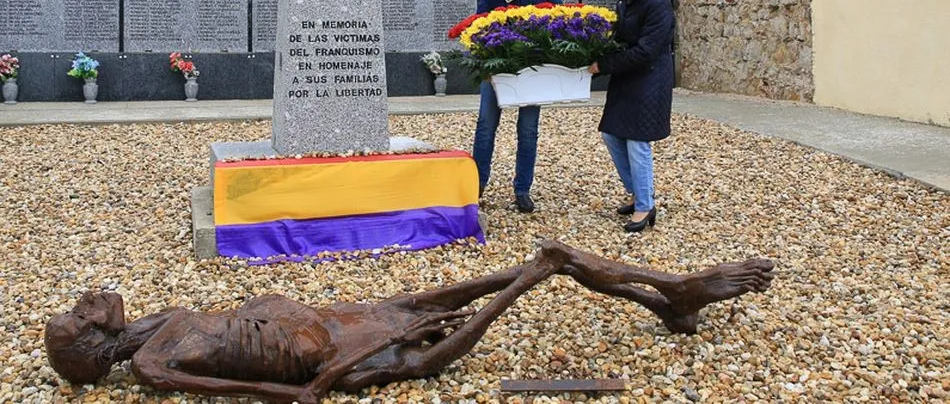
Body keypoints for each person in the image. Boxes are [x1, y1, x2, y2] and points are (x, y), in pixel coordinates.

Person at [45, 240, 774, 403]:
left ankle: (670, 293)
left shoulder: (159, 321)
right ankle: (672, 293)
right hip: (327, 352)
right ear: (92, 344)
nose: (88, 299)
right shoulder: (147, 366)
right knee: (535, 268)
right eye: (80, 315)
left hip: (327, 317)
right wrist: (332, 377)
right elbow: (270, 395)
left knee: (530, 261)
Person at [589, 0, 675, 233]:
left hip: (650, 78)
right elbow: (621, 36)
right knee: (612, 134)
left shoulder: (657, 2)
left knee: (638, 142)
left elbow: (646, 51)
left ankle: (644, 206)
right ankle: (638, 191)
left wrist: (604, 65)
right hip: (628, 76)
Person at [472, 0, 563, 213]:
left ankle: (522, 189)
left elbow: (561, 18)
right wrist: (485, 65)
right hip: (497, 70)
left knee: (528, 130)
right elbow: (479, 28)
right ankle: (477, 184)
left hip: (531, 68)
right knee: (486, 126)